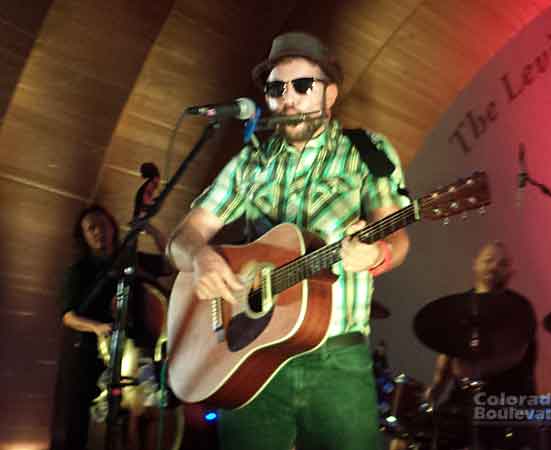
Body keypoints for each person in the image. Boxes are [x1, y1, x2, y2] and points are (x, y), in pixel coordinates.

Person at [166, 31, 411, 450]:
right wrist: (200, 258)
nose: (288, 99)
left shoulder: (365, 151)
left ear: (329, 94)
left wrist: (376, 254)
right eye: (276, 89)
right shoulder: (250, 162)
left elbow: (397, 237)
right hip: (250, 357)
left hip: (337, 360)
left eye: (302, 85)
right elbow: (181, 238)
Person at [50, 204, 171, 450]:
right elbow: (69, 317)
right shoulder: (79, 271)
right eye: (91, 228)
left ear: (112, 228)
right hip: (96, 354)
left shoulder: (131, 258)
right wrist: (98, 327)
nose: (98, 232)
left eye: (102, 225)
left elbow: (170, 264)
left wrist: (151, 229)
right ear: (84, 236)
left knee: (145, 410)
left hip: (136, 349)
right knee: (99, 418)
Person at [425, 241, 538, 450]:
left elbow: (515, 355)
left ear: (511, 272)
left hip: (507, 408)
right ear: (475, 264)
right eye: (488, 260)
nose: (494, 267)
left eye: (502, 263)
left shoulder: (520, 308)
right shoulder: (458, 307)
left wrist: (472, 371)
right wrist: (432, 394)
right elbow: (445, 359)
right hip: (462, 406)